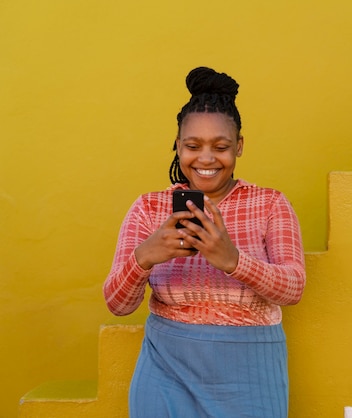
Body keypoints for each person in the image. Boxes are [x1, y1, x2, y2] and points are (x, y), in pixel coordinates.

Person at [103, 66, 306, 418]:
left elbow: (294, 288)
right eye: (193, 146)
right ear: (178, 147)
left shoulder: (271, 203)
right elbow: (117, 305)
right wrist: (146, 257)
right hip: (165, 367)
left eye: (221, 146)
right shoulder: (149, 207)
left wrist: (233, 260)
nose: (207, 159)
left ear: (239, 146)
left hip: (250, 371)